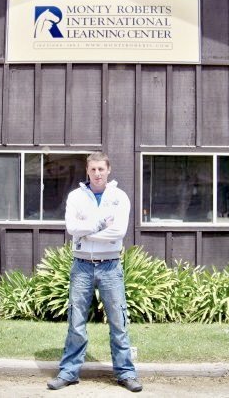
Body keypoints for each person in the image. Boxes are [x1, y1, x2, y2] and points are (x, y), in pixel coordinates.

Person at [47, 152, 142, 393]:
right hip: (82, 266)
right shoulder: (76, 196)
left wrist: (86, 231)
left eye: (101, 169)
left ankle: (126, 373)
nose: (97, 174)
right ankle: (69, 372)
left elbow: (118, 232)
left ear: (108, 170)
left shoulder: (119, 197)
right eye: (93, 170)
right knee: (76, 321)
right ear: (87, 171)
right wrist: (99, 225)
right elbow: (71, 228)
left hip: (110, 266)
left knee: (119, 321)